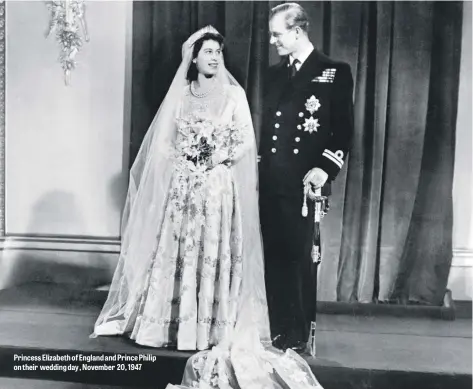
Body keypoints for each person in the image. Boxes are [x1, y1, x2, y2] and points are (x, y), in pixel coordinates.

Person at [92, 25, 325, 389]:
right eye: (208, 52)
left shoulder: (234, 96)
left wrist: (214, 158)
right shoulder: (182, 96)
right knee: (180, 253)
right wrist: (185, 162)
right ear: (194, 58)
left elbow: (245, 141)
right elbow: (164, 142)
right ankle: (175, 328)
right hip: (185, 187)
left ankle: (210, 329)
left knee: (214, 253)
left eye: (219, 52)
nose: (215, 57)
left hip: (218, 187)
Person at [259, 3, 355, 353]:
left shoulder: (333, 71)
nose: (273, 41)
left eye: (277, 34)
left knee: (299, 260)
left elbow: (342, 132)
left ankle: (298, 336)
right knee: (273, 257)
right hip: (271, 183)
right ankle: (276, 331)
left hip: (304, 186)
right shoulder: (273, 75)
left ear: (297, 31)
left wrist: (325, 169)